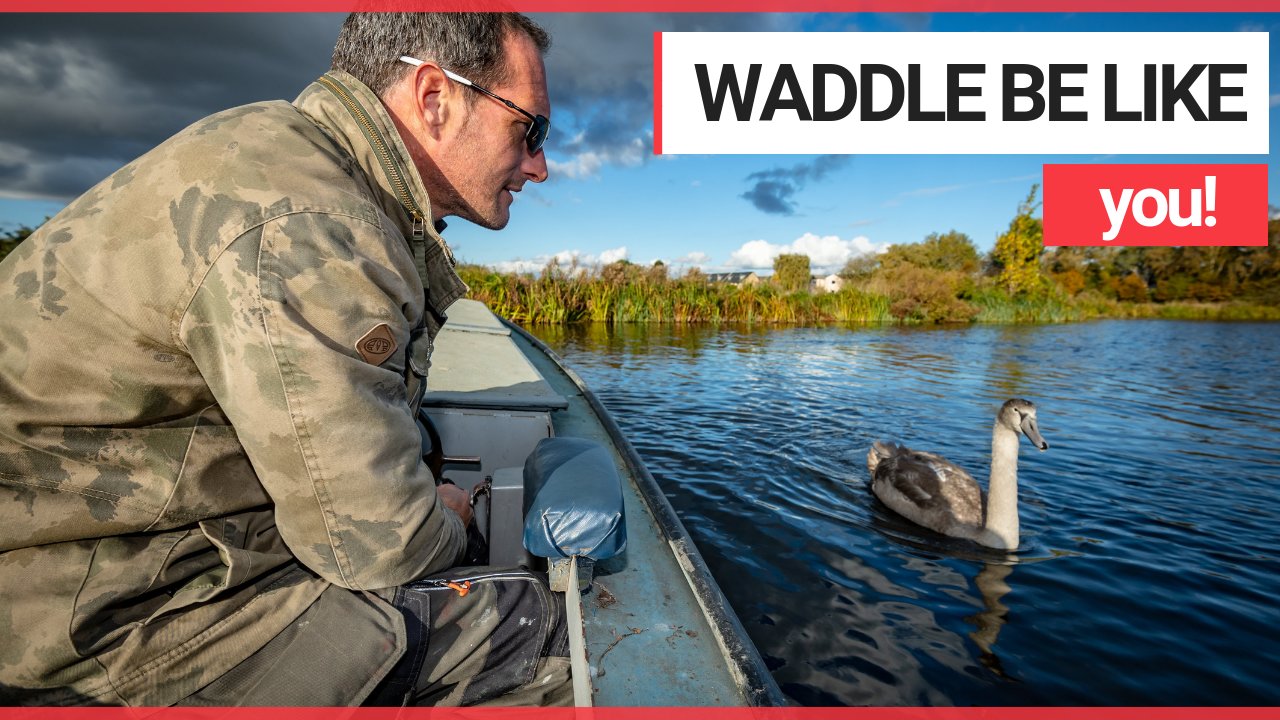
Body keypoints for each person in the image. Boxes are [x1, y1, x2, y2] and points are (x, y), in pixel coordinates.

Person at [0, 12, 569, 707]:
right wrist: (449, 514)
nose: (539, 165)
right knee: (535, 631)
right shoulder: (316, 225)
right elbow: (382, 546)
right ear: (434, 99)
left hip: (105, 563)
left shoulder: (286, 156)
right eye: (529, 128)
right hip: (102, 621)